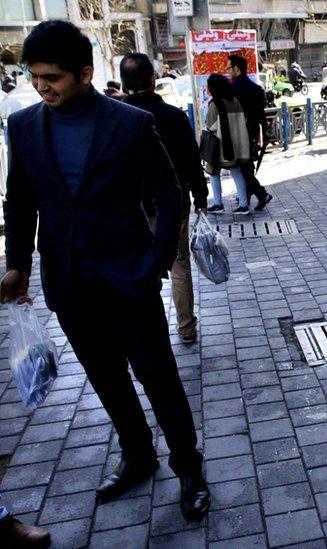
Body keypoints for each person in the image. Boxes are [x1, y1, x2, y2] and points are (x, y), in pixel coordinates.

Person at [0, 21, 210, 520]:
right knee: (106, 380)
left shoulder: (129, 123)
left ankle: (189, 468)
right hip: (70, 284)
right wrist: (17, 265)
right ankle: (138, 457)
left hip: (129, 279)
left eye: (52, 77)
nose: (42, 86)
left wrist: (154, 263)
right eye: (34, 77)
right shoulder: (24, 127)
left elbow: (170, 194)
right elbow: (21, 201)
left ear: (85, 74)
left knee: (158, 378)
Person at [120, 53, 209, 344]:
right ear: (152, 80)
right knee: (179, 263)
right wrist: (201, 195)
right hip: (174, 202)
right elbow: (192, 160)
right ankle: (186, 328)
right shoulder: (173, 115)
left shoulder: (115, 117)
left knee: (138, 265)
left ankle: (148, 332)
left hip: (132, 207)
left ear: (123, 82)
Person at [228, 55, 273, 210]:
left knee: (244, 168)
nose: (228, 71)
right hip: (253, 132)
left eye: (229, 68)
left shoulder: (233, 89)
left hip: (238, 133)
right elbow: (261, 113)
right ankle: (247, 197)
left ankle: (262, 194)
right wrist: (265, 132)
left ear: (236, 68)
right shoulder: (256, 88)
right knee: (247, 166)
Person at [203, 73, 251, 214]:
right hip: (236, 145)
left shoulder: (215, 103)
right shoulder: (234, 100)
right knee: (237, 173)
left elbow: (211, 126)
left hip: (220, 146)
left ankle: (218, 204)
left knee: (213, 173)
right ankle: (244, 205)